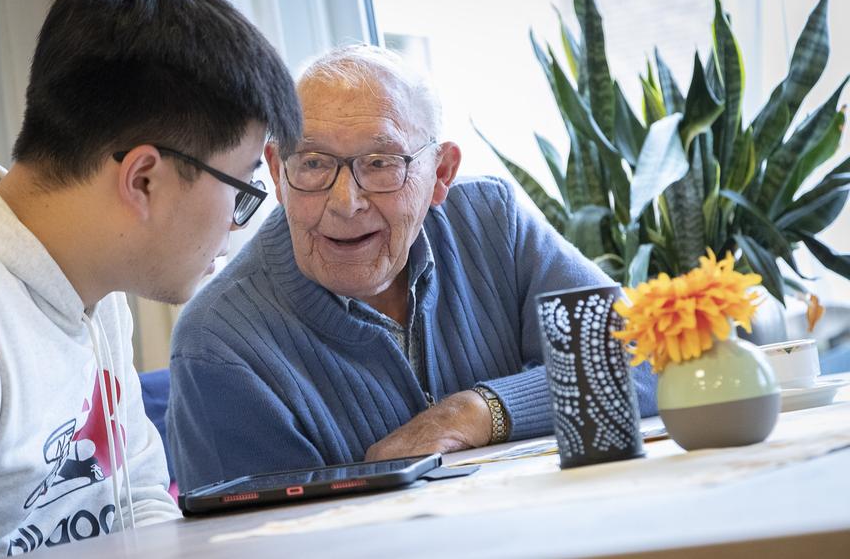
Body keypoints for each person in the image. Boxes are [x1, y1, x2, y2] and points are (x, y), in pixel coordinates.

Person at [0, 0, 300, 557]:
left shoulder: (92, 287)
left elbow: (139, 502)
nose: (238, 222)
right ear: (144, 179)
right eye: (240, 187)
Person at [167, 45, 657, 493]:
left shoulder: (492, 220)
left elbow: (650, 356)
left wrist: (478, 411)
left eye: (381, 163)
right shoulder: (219, 344)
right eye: (314, 163)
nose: (346, 202)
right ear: (276, 171)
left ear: (441, 173)